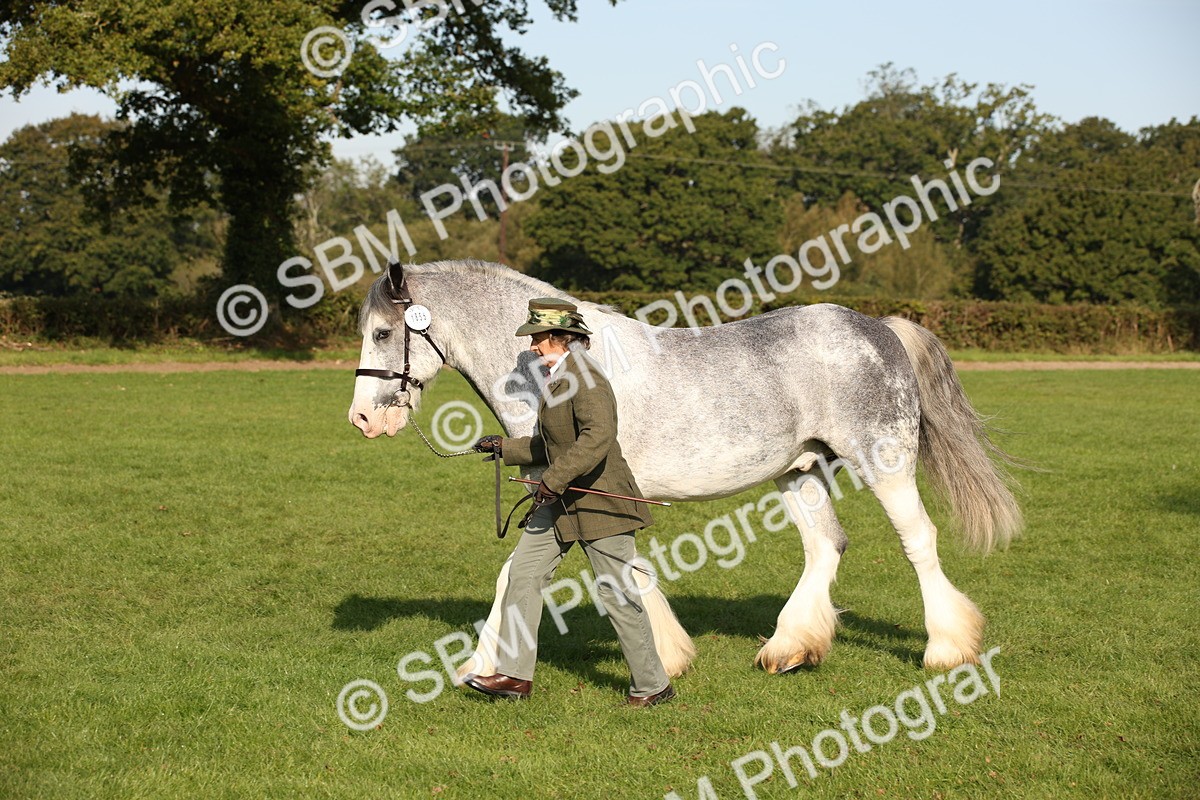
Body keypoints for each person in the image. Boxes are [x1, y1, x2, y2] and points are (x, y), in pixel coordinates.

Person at [466, 297, 675, 707]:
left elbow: (598, 436)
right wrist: (504, 448)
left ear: (558, 337)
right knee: (523, 577)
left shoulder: (587, 376)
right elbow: (554, 442)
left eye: (536, 338)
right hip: (560, 502)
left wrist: (554, 480)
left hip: (600, 502)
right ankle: (513, 676)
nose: (531, 347)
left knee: (617, 595)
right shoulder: (560, 376)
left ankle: (653, 686)